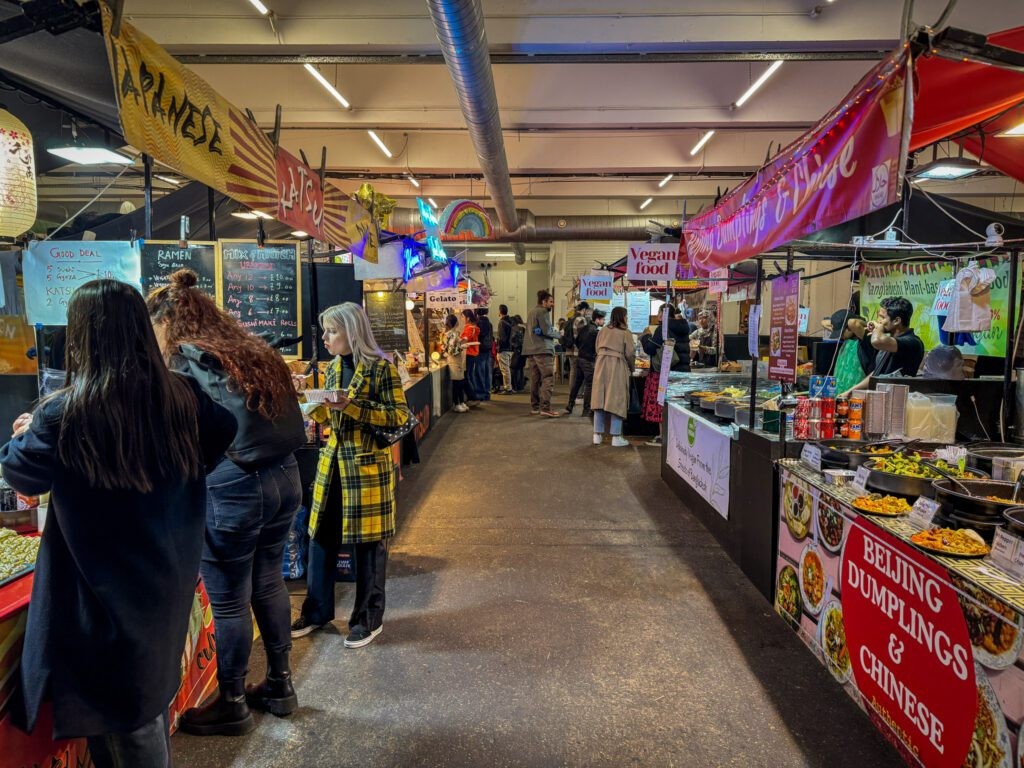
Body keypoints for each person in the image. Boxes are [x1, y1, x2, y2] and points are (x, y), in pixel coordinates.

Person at [0, 279, 236, 768]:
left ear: (82, 337)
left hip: (99, 599)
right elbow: (224, 432)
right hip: (165, 580)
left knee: (129, 727)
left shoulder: (66, 413)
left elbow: (19, 470)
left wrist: (27, 429)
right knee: (142, 711)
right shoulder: (182, 397)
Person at [147, 269, 307, 735]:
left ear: (165, 321)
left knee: (230, 600)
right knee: (269, 582)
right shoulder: (251, 351)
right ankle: (281, 684)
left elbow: (176, 437)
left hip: (233, 485)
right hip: (285, 475)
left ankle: (232, 702)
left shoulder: (182, 360)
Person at [291, 302, 410, 648]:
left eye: (332, 331)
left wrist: (350, 405)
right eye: (325, 331)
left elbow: (399, 418)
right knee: (321, 538)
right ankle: (316, 611)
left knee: (369, 546)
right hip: (332, 467)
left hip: (366, 468)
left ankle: (368, 618)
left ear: (351, 332)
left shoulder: (380, 369)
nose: (326, 338)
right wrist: (314, 404)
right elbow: (331, 421)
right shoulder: (331, 370)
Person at [639, 304, 691, 446]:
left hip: (665, 372)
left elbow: (650, 349)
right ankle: (676, 436)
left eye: (659, 312)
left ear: (664, 313)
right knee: (676, 405)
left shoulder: (663, 328)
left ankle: (663, 437)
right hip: (682, 371)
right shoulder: (684, 327)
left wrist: (645, 337)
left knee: (662, 404)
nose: (658, 315)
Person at [591, 306, 636, 447]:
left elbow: (597, 346)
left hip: (601, 363)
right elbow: (630, 353)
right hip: (616, 365)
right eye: (626, 315)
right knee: (616, 398)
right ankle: (616, 436)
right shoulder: (625, 333)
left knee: (599, 398)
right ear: (622, 317)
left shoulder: (603, 330)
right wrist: (632, 367)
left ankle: (596, 435)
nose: (627, 318)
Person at [522, 290, 560, 417]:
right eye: (551, 302)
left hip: (531, 350)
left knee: (535, 379)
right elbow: (547, 330)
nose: (552, 304)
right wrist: (560, 335)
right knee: (548, 378)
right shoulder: (543, 312)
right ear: (544, 302)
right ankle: (545, 408)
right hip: (543, 350)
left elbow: (535, 330)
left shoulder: (532, 311)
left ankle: (535, 407)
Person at [574, 308, 604, 418]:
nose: (604, 321)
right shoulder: (595, 332)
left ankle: (570, 404)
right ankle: (586, 410)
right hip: (588, 360)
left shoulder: (584, 328)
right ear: (597, 320)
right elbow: (598, 347)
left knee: (577, 383)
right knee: (589, 385)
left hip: (580, 357)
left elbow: (576, 341)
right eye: (603, 319)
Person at [563, 301, 591, 414]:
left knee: (573, 373)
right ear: (584, 310)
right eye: (587, 311)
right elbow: (583, 336)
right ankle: (576, 396)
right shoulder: (581, 320)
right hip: (577, 351)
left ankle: (572, 398)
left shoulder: (571, 319)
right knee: (577, 375)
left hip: (570, 350)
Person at [443, 312, 470, 412]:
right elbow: (451, 350)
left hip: (458, 360)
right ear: (455, 323)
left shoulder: (452, 333)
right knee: (457, 383)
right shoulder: (451, 334)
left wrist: (462, 343)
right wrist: (462, 346)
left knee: (460, 382)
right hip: (454, 361)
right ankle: (457, 404)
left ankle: (461, 402)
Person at [460, 308, 483, 406]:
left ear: (467, 318)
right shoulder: (473, 328)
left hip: (469, 354)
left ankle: (473, 397)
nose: (461, 319)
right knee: (468, 376)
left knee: (466, 376)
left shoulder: (469, 328)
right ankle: (473, 397)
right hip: (472, 354)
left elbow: (464, 340)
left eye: (462, 317)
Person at [474, 307, 495, 401]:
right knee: (487, 372)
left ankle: (480, 394)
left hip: (480, 349)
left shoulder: (478, 323)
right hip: (488, 349)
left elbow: (478, 335)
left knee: (480, 371)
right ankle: (487, 393)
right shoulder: (489, 323)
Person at [496, 304, 514, 394]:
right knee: (507, 369)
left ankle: (508, 388)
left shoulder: (502, 322)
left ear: (500, 312)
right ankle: (508, 386)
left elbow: (502, 338)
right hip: (511, 349)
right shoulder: (511, 321)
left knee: (505, 370)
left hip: (504, 349)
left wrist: (498, 348)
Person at [510, 315, 527, 392]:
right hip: (524, 351)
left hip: (517, 351)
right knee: (520, 369)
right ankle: (521, 386)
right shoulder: (524, 328)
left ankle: (515, 386)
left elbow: (513, 340)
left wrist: (512, 346)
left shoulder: (515, 328)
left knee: (514, 368)